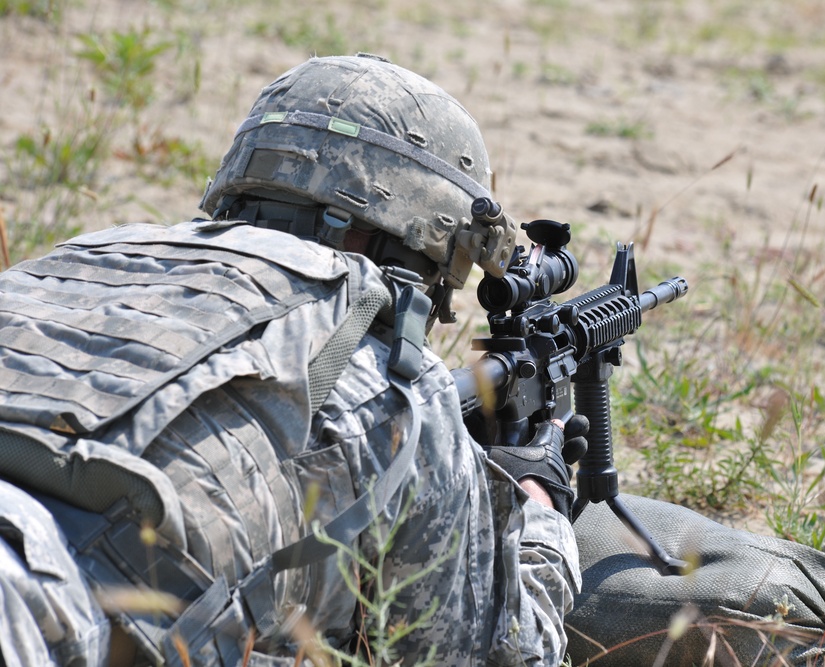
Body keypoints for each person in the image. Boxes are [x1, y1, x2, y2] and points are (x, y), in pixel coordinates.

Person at [0, 54, 585, 666]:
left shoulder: (89, 256)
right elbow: (503, 654)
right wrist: (538, 510)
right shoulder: (393, 392)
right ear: (428, 236)